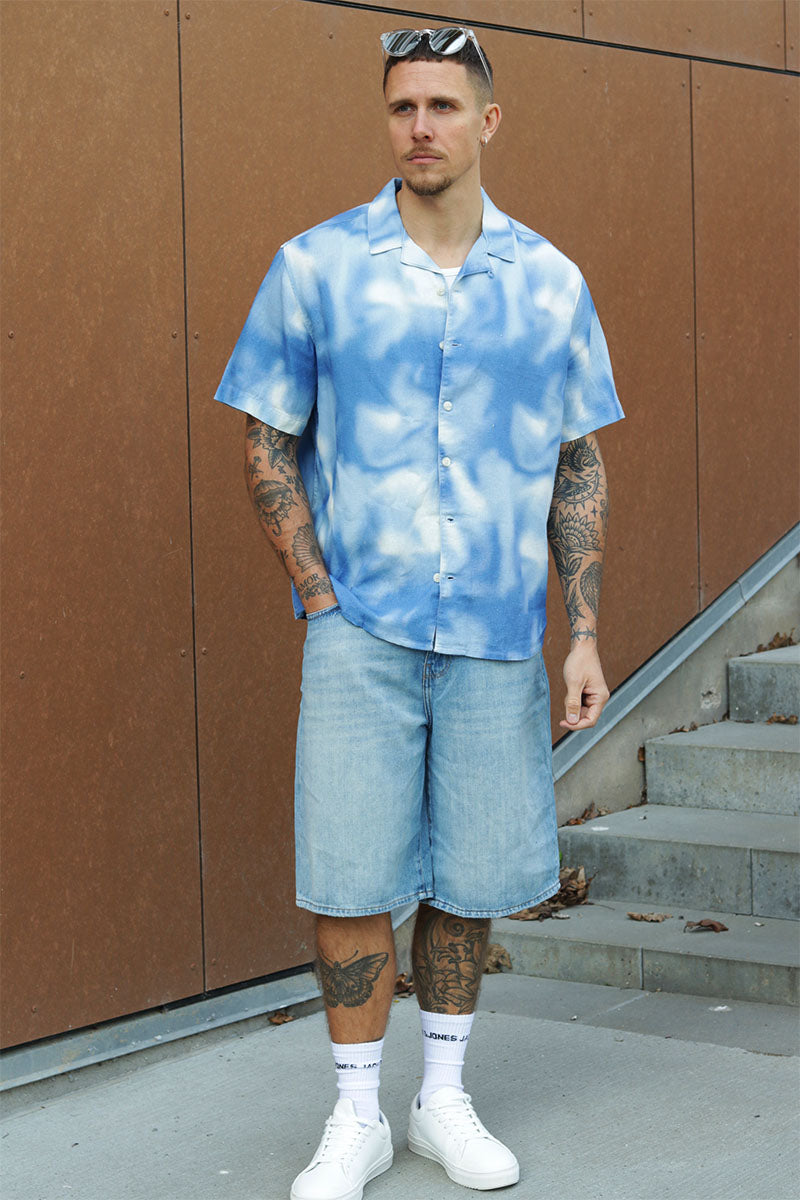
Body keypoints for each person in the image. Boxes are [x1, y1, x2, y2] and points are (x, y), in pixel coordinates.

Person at [215, 25, 624, 1200]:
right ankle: (356, 1118)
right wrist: (317, 595)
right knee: (347, 878)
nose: (421, 127)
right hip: (362, 629)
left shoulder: (548, 281)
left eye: (443, 105)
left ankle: (440, 1099)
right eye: (402, 106)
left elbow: (576, 461)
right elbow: (266, 440)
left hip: (496, 635)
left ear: (486, 121)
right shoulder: (315, 267)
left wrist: (581, 633)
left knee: (470, 878)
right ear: (385, 119)